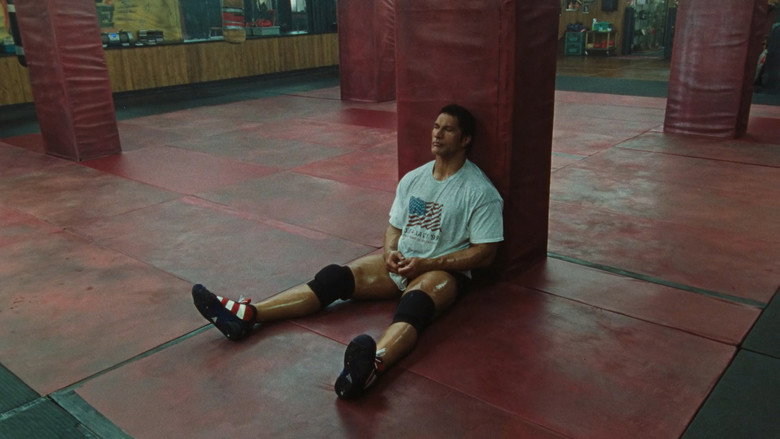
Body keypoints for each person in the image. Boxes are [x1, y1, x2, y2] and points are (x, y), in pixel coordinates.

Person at [192, 104, 504, 399]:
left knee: (416, 306)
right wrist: (389, 252)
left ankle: (372, 365)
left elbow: (485, 253)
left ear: (465, 139)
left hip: (442, 271)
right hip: (404, 260)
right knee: (334, 278)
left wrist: (428, 263)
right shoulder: (414, 179)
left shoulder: (479, 191)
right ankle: (248, 315)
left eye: (448, 129)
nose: (437, 134)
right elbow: (395, 226)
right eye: (436, 127)